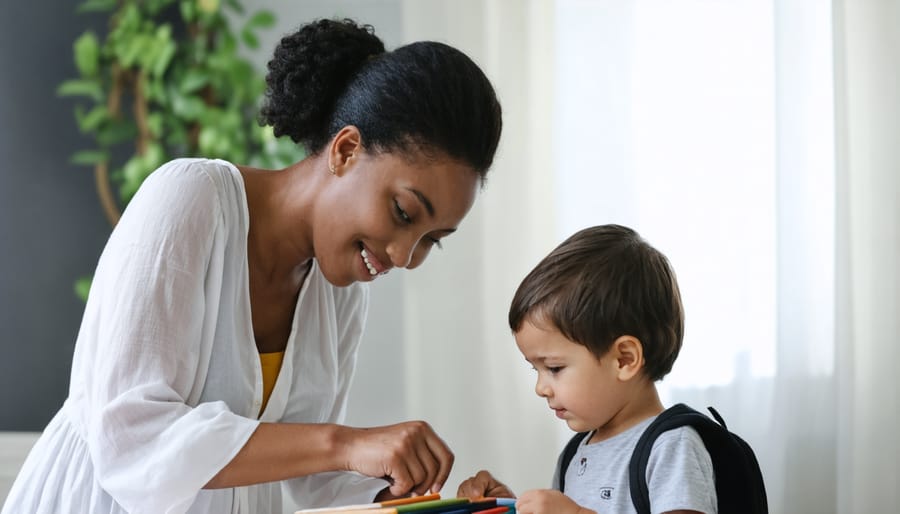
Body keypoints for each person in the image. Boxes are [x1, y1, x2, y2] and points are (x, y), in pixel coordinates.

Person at [2, 18, 502, 514]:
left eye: (431, 241)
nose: (403, 257)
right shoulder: (190, 200)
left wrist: (421, 498)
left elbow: (314, 480)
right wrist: (345, 442)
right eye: (403, 213)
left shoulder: (342, 290)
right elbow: (129, 438)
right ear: (346, 150)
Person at [456, 225, 716, 514]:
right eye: (536, 369)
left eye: (554, 368)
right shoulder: (575, 454)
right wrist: (509, 507)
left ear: (624, 360)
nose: (541, 388)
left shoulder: (671, 447)